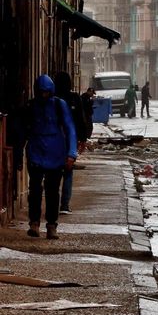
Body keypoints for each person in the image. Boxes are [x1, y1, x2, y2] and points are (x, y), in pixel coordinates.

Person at [13, 75, 78, 239]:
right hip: (36, 150)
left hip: (56, 152)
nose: (43, 96)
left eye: (46, 93)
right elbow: (22, 132)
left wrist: (71, 153)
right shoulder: (31, 106)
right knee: (35, 189)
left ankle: (51, 224)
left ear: (51, 91)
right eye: (41, 92)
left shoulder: (59, 105)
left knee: (52, 190)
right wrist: (18, 155)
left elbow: (70, 127)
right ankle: (34, 223)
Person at [53, 72, 87, 215]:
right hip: (69, 141)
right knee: (68, 171)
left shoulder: (52, 99)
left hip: (53, 141)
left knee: (54, 173)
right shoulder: (73, 98)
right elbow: (81, 119)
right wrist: (82, 139)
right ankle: (64, 205)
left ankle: (55, 204)